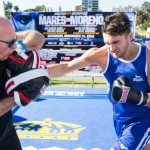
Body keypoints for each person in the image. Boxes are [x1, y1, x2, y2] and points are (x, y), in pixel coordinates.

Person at [46, 12, 150, 149]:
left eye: (116, 42)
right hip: (121, 120)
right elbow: (65, 68)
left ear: (129, 36)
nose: (112, 48)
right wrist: (32, 73)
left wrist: (135, 97)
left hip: (143, 120)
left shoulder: (147, 58)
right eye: (107, 43)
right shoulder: (100, 55)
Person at [0, 16, 46, 150]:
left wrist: (21, 47)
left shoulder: (5, 54)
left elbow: (37, 38)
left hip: (6, 135)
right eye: (10, 43)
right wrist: (18, 98)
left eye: (14, 40)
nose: (14, 46)